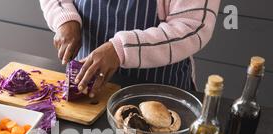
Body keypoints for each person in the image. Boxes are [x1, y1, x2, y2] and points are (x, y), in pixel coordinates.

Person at [40, 0, 220, 97]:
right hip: (85, 88)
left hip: (158, 93)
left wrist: (121, 49)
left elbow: (192, 27)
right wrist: (64, 17)